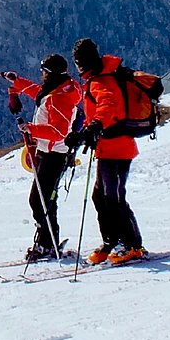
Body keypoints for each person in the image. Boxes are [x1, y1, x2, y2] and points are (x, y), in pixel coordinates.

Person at [65, 38, 145, 265]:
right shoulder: (97, 78)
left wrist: (94, 127)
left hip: (118, 148)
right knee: (101, 196)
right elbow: (97, 112)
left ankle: (132, 244)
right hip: (108, 148)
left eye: (79, 61)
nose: (78, 66)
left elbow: (108, 107)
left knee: (114, 197)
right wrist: (82, 132)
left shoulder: (103, 80)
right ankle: (112, 240)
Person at [3, 53, 84, 262]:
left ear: (49, 74)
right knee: (46, 200)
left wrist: (30, 129)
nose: (41, 75)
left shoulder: (59, 98)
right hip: (48, 152)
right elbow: (39, 94)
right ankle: (48, 242)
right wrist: (17, 82)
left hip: (54, 154)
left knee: (38, 200)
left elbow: (59, 131)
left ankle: (46, 244)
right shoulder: (59, 89)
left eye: (43, 72)